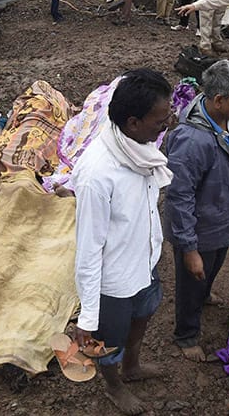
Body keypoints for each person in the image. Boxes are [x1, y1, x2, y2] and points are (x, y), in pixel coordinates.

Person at [72, 69, 173, 415]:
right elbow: (88, 249)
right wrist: (87, 315)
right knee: (108, 341)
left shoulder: (139, 148)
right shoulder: (97, 174)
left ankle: (132, 367)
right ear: (133, 122)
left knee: (144, 314)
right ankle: (114, 385)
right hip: (114, 281)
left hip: (145, 260)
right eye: (161, 119)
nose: (167, 123)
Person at [164, 61, 229, 361]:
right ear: (219, 100)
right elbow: (179, 198)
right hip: (200, 229)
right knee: (191, 279)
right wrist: (189, 248)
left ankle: (204, 294)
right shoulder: (192, 141)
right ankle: (186, 334)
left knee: (214, 265)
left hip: (222, 221)